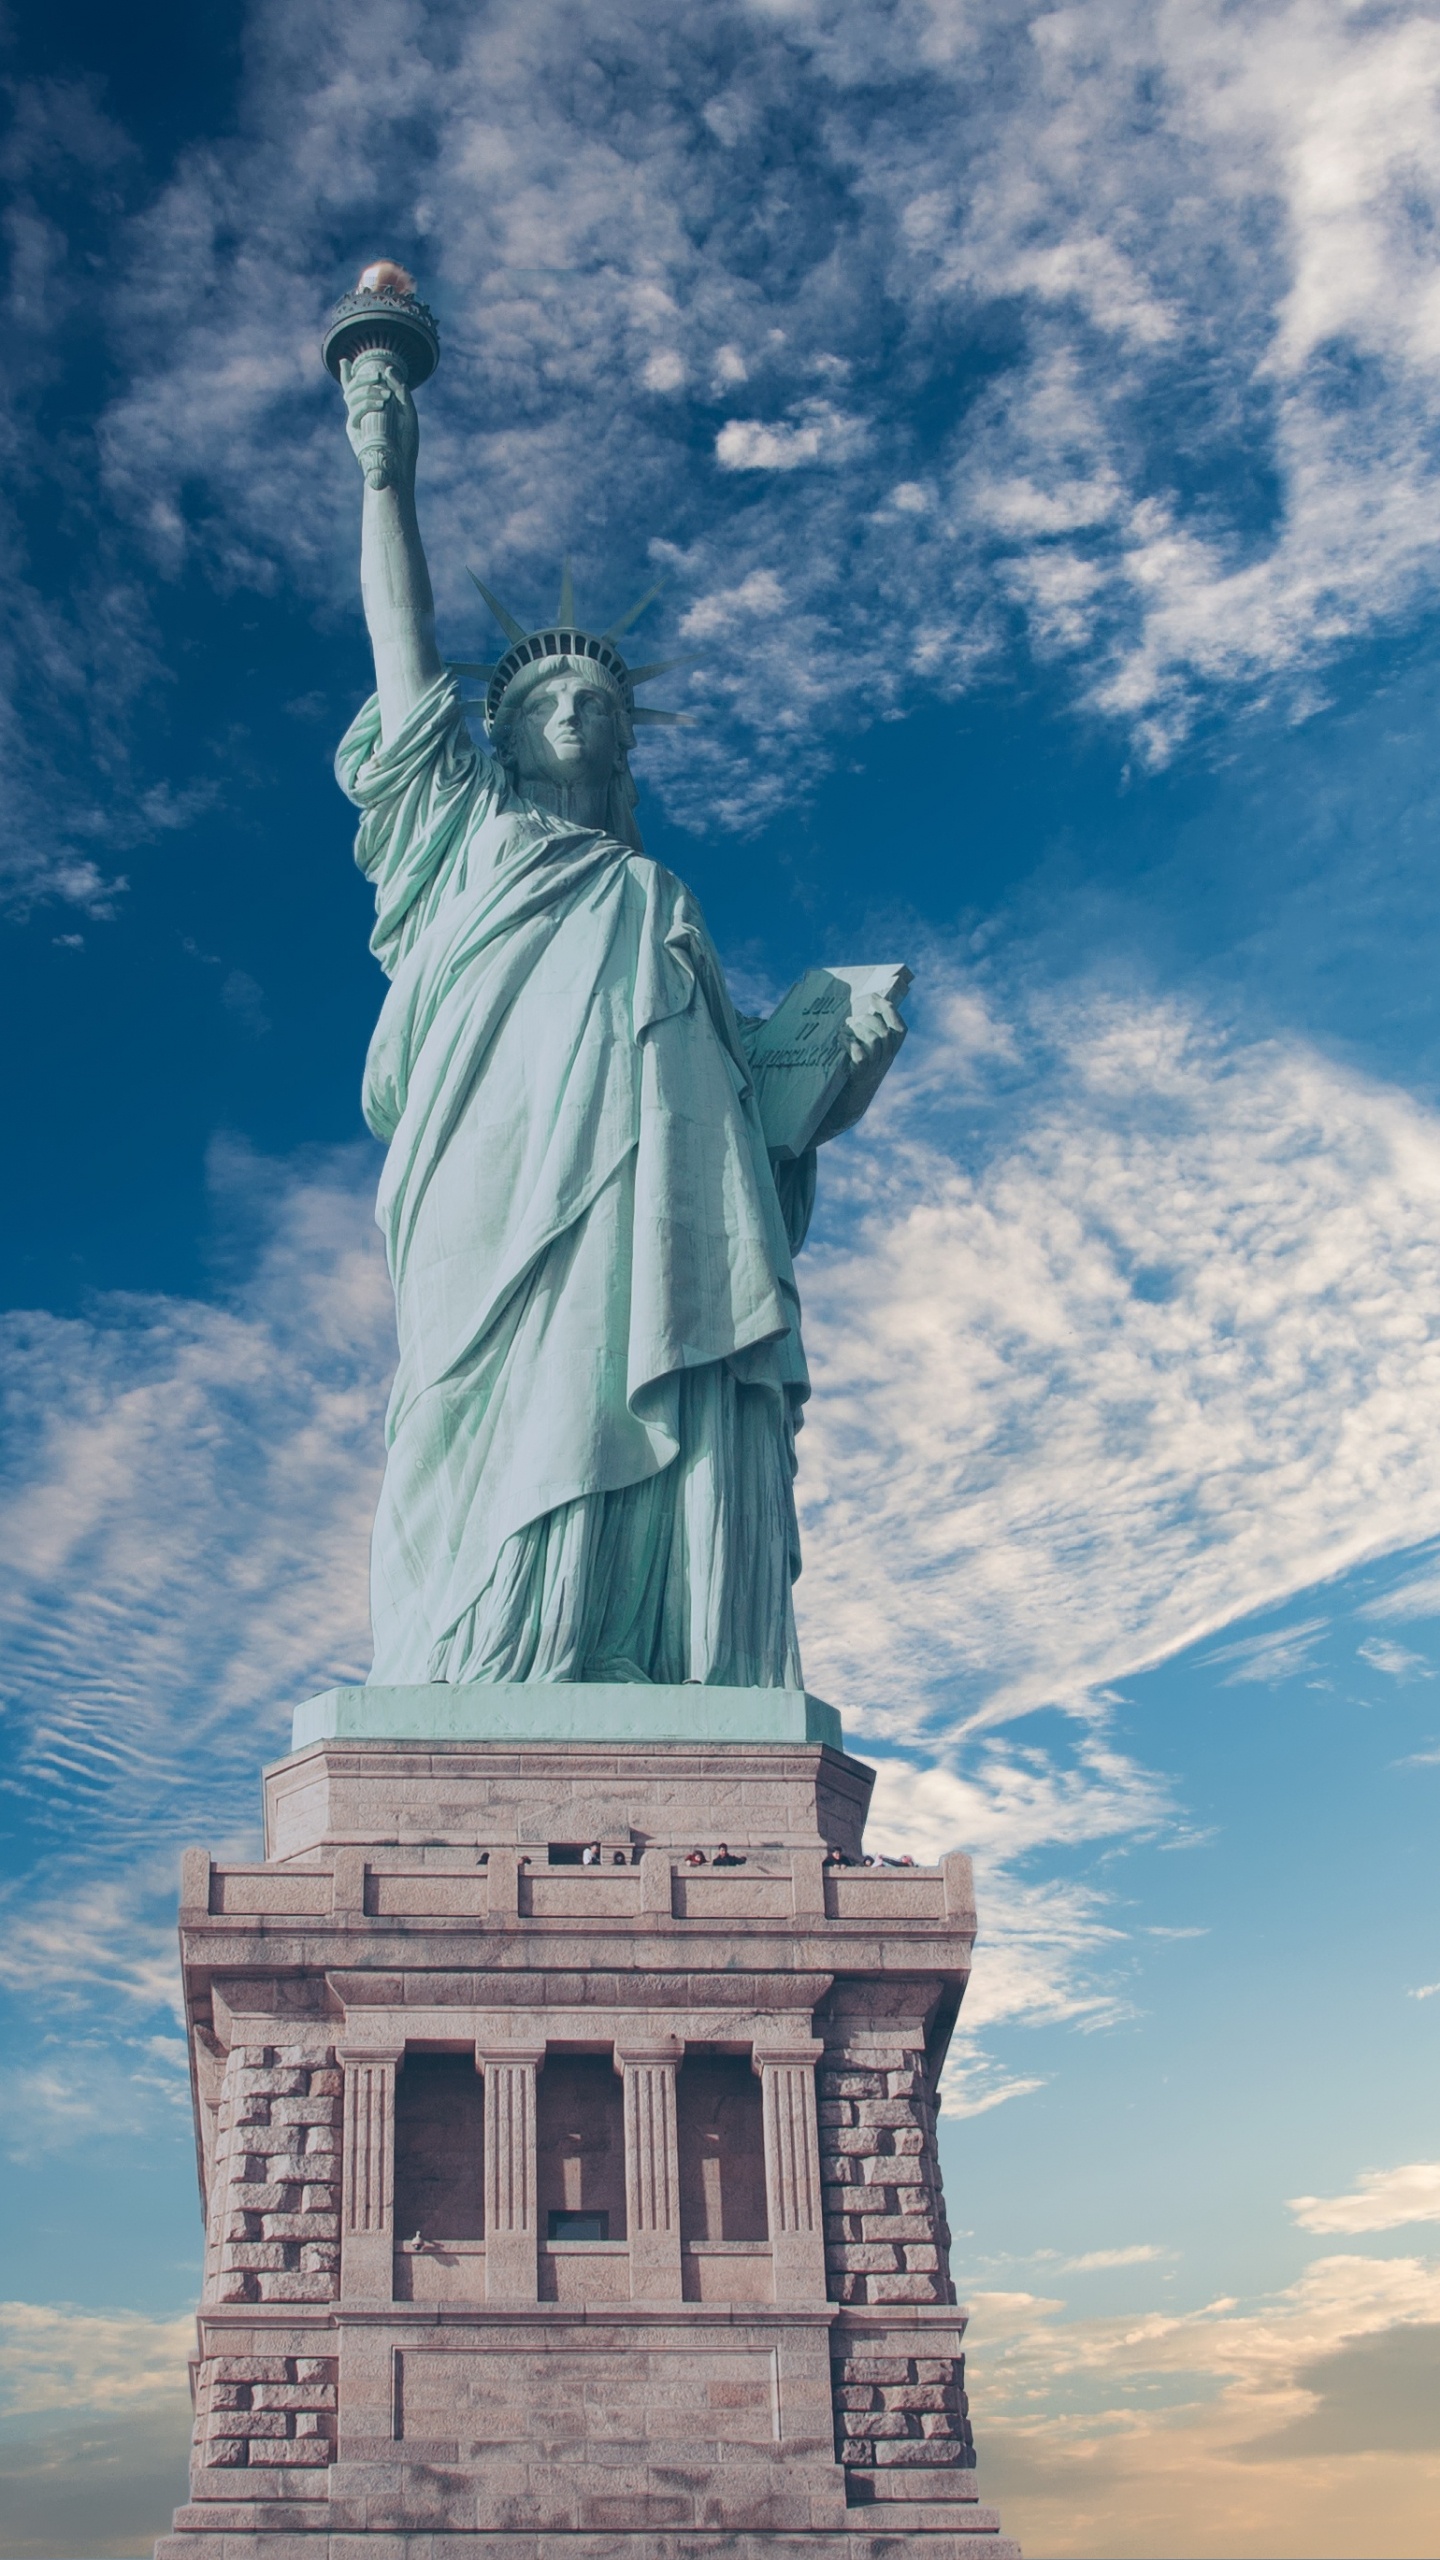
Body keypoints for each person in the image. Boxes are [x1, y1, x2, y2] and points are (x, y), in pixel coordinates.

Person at [337, 342, 905, 1691]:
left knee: (657, 1376)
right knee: (474, 1408)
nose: (582, 711)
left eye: (601, 700)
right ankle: (482, 1662)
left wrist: (827, 1080)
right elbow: (404, 658)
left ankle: (647, 1652)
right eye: (549, 701)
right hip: (492, 1184)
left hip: (653, 1217)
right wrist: (386, 479)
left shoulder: (661, 897)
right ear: (508, 735)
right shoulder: (461, 837)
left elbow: (740, 1137)